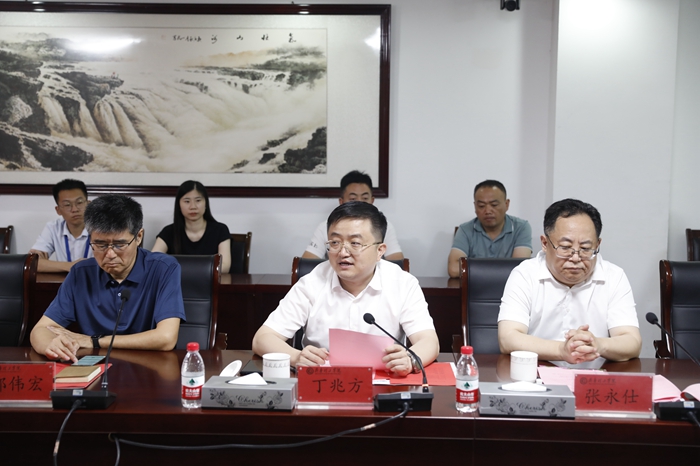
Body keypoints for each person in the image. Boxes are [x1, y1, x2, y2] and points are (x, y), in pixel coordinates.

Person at [253, 201, 439, 376]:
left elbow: (428, 341)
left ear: (380, 250)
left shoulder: (402, 283)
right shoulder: (311, 283)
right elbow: (262, 338)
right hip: (323, 384)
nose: (343, 252)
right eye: (335, 242)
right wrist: (296, 357)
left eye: (355, 243)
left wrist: (410, 360)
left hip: (385, 384)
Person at [30, 195, 186, 362]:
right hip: (93, 366)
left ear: (138, 237)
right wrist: (52, 345)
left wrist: (94, 341)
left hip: (149, 366)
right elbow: (40, 330)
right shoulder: (81, 273)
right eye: (100, 245)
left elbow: (166, 338)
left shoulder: (163, 268)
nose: (110, 254)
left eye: (119, 245)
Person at [497, 199, 642, 364]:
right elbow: (508, 338)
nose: (575, 258)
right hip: (537, 375)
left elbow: (632, 342)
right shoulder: (525, 274)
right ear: (545, 243)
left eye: (585, 248)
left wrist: (598, 344)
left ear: (597, 245)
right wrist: (561, 350)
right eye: (565, 247)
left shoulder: (614, 276)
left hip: (595, 376)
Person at [302, 170, 404, 261]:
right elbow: (307, 263)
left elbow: (397, 262)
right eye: (353, 199)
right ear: (341, 201)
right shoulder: (326, 226)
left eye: (365, 198)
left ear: (372, 201)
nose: (359, 203)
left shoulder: (382, 226)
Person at [448, 180, 532, 278]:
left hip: (509, 286)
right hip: (476, 286)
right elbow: (453, 269)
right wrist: (499, 270)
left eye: (494, 205)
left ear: (506, 204)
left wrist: (473, 269)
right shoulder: (465, 230)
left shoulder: (521, 227)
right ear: (475, 206)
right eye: (481, 206)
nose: (488, 211)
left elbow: (520, 268)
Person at [152, 180, 232, 273]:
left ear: (206, 203)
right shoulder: (168, 232)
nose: (193, 206)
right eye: (187, 201)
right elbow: (153, 262)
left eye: (198, 200)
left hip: (209, 282)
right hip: (178, 282)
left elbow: (225, 266)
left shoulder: (220, 230)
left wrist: (186, 270)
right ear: (179, 205)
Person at [29, 178, 94, 272]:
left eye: (79, 203)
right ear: (58, 210)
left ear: (88, 205)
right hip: (64, 280)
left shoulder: (102, 226)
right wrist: (70, 266)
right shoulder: (53, 228)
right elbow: (32, 262)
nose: (74, 209)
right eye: (67, 205)